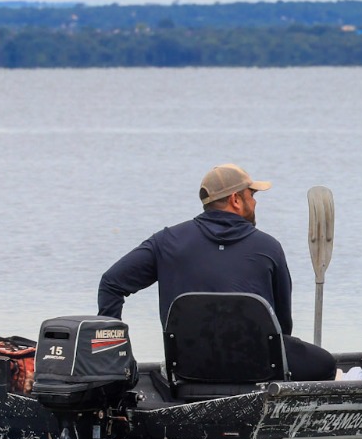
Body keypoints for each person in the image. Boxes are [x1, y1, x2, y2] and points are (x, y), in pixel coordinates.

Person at [97, 163, 338, 381]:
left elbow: (111, 284)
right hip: (257, 369)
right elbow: (283, 325)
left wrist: (114, 356)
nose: (255, 202)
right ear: (236, 200)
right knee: (326, 364)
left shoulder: (166, 242)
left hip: (188, 368)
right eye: (252, 195)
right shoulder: (269, 247)